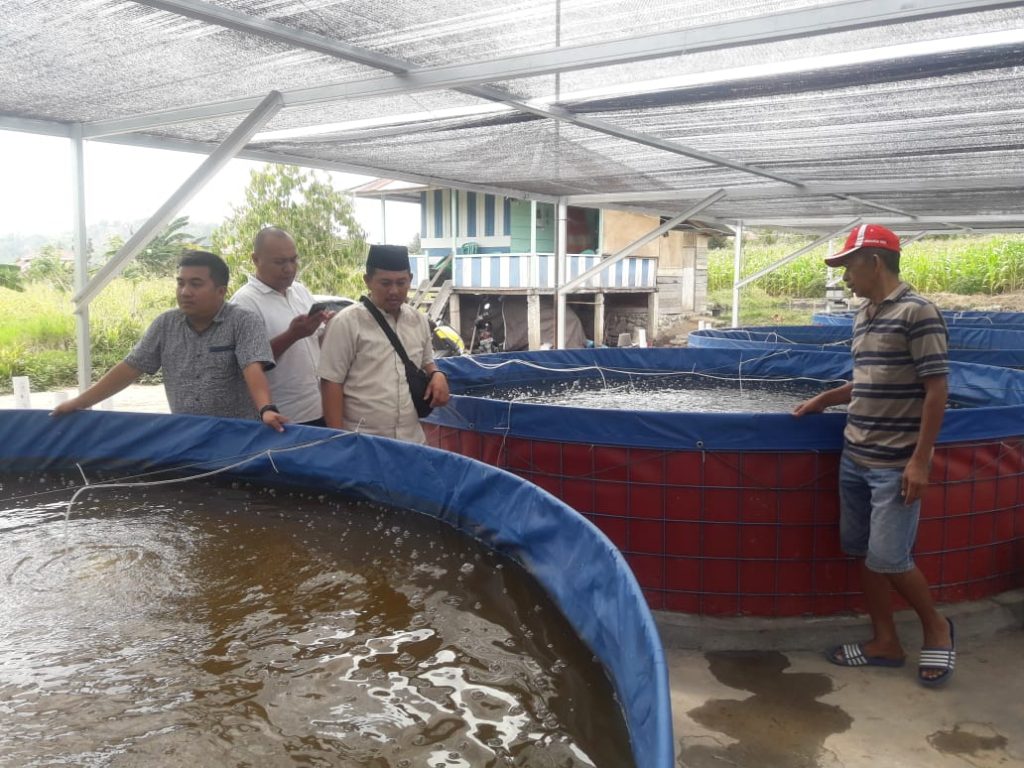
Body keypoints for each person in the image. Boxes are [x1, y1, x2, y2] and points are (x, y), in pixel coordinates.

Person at [793, 224, 955, 687]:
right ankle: (884, 641)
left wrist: (920, 460)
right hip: (855, 455)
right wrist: (827, 399)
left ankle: (937, 629)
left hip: (894, 464)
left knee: (889, 557)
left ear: (874, 262)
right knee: (865, 552)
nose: (844, 277)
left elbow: (937, 388)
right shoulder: (863, 314)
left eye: (848, 266)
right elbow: (869, 379)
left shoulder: (918, 312)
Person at [52, 250, 288, 432]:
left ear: (221, 290)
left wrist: (266, 409)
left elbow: (252, 367)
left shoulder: (243, 321)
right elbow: (129, 368)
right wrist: (80, 402)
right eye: (180, 283)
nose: (185, 292)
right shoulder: (165, 325)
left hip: (237, 435)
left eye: (195, 284)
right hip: (185, 436)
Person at [319, 244, 450, 443]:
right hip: (362, 441)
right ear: (368, 281)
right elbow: (331, 383)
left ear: (411, 280)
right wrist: (338, 441)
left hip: (411, 440)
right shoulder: (346, 323)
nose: (394, 291)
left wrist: (437, 374)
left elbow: (426, 361)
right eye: (385, 283)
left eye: (401, 282)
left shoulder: (418, 320)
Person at [230, 227, 331, 426]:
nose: (289, 268)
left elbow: (317, 341)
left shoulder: (299, 291)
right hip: (281, 417)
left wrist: (330, 325)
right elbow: (247, 364)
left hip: (318, 406)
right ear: (255, 259)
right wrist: (292, 335)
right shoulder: (244, 303)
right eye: (280, 262)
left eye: (293, 260)